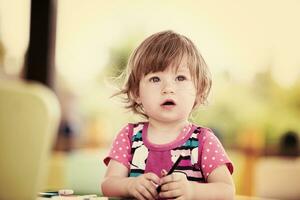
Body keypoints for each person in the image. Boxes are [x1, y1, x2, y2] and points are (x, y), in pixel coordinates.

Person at [101, 30, 235, 200]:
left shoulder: (204, 141)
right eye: (155, 79)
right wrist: (129, 185)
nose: (168, 88)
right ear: (136, 92)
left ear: (199, 91)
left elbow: (227, 191)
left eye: (180, 78)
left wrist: (192, 191)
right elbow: (108, 184)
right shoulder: (129, 137)